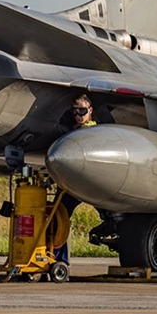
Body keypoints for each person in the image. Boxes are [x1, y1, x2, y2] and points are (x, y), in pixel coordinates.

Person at [52, 95, 97, 264]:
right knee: (57, 218)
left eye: (83, 111)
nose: (79, 115)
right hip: (71, 185)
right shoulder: (72, 132)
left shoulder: (94, 133)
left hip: (90, 184)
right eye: (75, 111)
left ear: (90, 111)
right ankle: (58, 259)